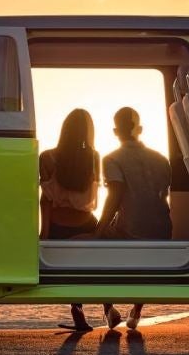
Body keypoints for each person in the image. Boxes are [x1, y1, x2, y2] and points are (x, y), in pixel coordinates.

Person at [96, 106, 172, 330]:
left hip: (131, 231)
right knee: (144, 265)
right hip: (162, 230)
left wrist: (100, 226)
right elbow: (162, 195)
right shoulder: (161, 159)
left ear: (114, 131)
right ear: (140, 129)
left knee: (99, 244)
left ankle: (109, 309)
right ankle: (136, 311)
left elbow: (115, 195)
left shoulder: (112, 158)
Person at [39, 108, 100, 331]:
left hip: (58, 225)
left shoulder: (47, 157)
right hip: (87, 222)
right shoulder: (94, 157)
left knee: (68, 271)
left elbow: (45, 200)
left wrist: (44, 234)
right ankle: (109, 308)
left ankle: (78, 310)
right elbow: (95, 198)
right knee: (95, 267)